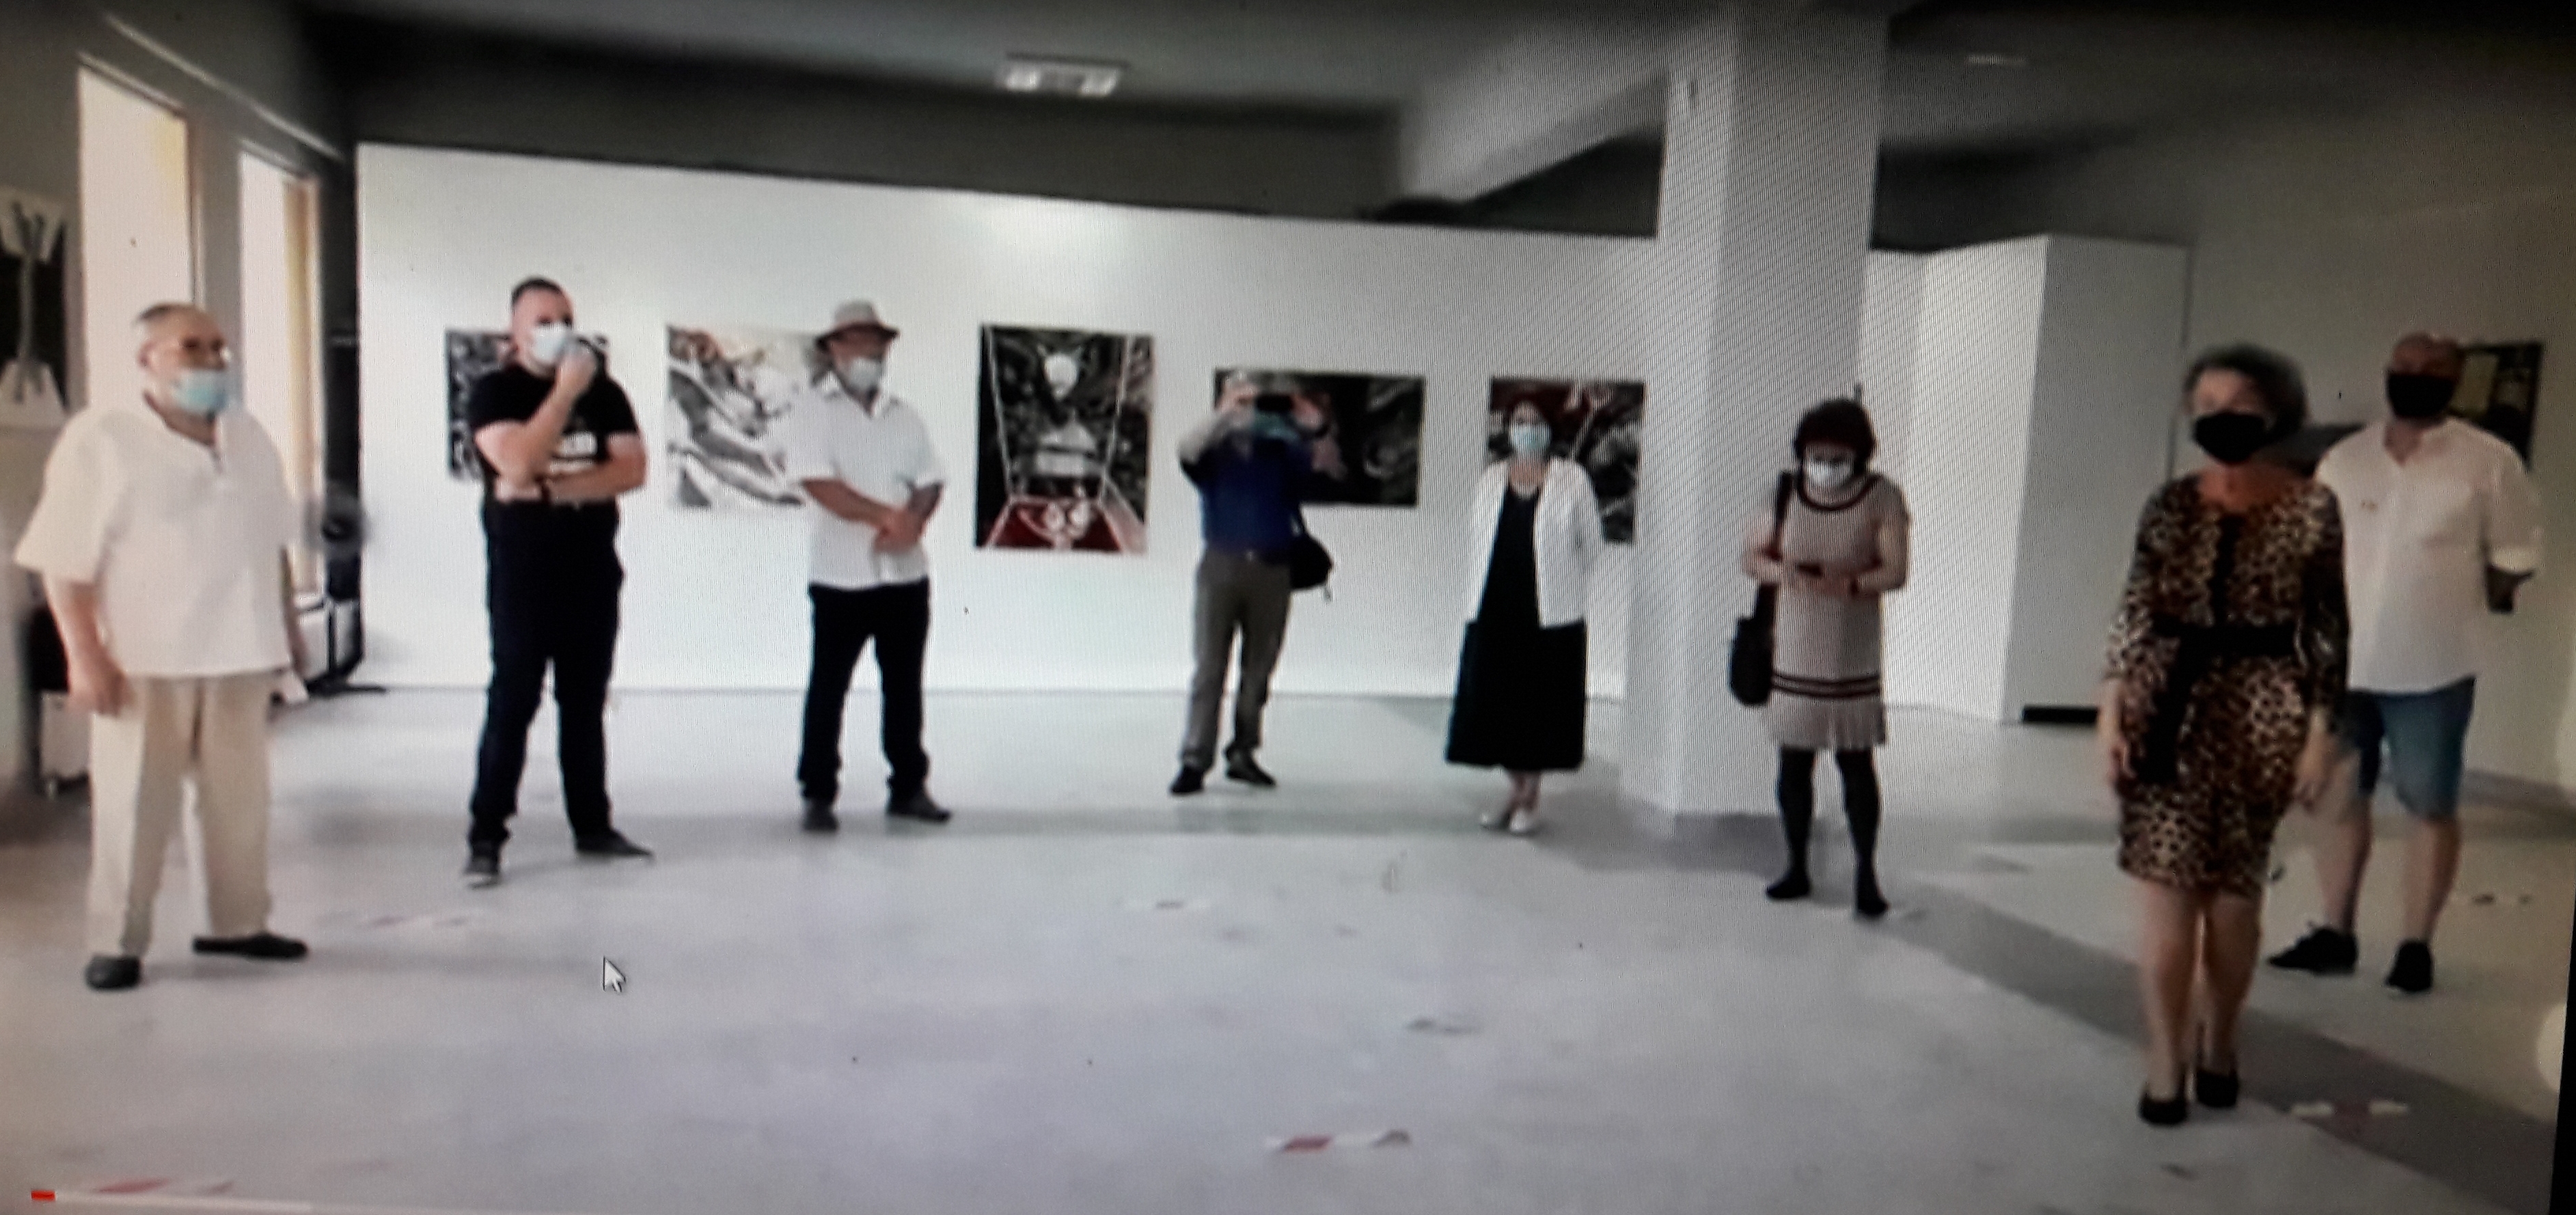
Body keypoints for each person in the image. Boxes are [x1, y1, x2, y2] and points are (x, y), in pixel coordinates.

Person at [15, 303, 310, 990]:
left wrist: (287, 629)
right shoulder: (104, 438)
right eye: (191, 347)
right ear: (146, 358)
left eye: (218, 347)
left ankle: (236, 922)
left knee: (239, 806)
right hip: (144, 657)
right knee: (133, 807)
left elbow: (271, 541)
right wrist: (84, 656)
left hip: (239, 650)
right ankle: (117, 940)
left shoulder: (247, 434)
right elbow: (63, 561)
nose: (211, 360)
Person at [2100, 345, 2346, 1126]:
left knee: (2233, 901)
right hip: (2164, 705)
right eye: (2205, 405)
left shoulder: (2311, 507)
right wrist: (2109, 708)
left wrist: (2318, 730)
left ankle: (2220, 1037)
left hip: (2261, 707)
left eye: (2237, 405)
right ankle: (2164, 1057)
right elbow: (2134, 606)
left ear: (2274, 413)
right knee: (2164, 896)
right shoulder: (2169, 504)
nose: (2219, 418)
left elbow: (2325, 627)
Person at [2270, 333, 2543, 994]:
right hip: (2341, 663)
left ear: (2454, 381)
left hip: (2432, 664)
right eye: (2403, 367)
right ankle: (2335, 931)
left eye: (2430, 369)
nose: (2414, 376)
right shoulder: (2346, 459)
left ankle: (2415, 945)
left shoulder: (2488, 462)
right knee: (2337, 799)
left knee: (2428, 803)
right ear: (2387, 372)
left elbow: (2514, 555)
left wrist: (2458, 596)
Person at [462, 277, 653, 887]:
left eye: (565, 318)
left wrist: (549, 492)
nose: (558, 330)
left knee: (584, 703)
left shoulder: (608, 394)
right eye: (543, 321)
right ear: (515, 332)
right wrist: (564, 393)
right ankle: (486, 836)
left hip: (591, 570)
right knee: (514, 701)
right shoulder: (495, 392)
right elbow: (516, 460)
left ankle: (592, 824)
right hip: (523, 574)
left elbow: (631, 469)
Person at [1740, 399, 1910, 919]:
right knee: (1794, 763)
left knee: (1855, 763)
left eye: (1837, 458)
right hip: (1793, 647)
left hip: (1849, 654)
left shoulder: (1882, 496)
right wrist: (1786, 574)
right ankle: (1796, 864)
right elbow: (1752, 555)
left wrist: (1850, 583)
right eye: (1816, 456)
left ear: (1859, 454)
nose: (1825, 467)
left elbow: (1896, 570)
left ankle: (1866, 871)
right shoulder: (1785, 491)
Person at [783, 301, 950, 832]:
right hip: (842, 576)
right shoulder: (813, 412)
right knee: (829, 687)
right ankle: (818, 791)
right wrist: (885, 517)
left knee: (904, 687)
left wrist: (914, 522)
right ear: (834, 349)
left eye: (875, 344)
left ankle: (909, 786)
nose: (868, 354)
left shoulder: (905, 416)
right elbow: (819, 482)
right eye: (856, 343)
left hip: (904, 574)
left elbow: (930, 480)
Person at [1168, 377, 1340, 795]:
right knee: (1209, 669)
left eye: (1254, 400)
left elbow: (1323, 464)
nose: (1250, 409)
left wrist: (1310, 419)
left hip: (1272, 568)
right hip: (1221, 565)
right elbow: (1186, 449)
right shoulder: (1212, 453)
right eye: (1241, 398)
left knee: (1258, 669)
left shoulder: (1280, 449)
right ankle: (1195, 759)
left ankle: (1243, 752)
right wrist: (1225, 414)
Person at [1445, 402, 1604, 834]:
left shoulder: (1572, 479)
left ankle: (1530, 796)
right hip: (1495, 606)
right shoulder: (1491, 478)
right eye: (1520, 422)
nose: (1527, 430)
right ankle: (1515, 789)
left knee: (1539, 705)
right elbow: (1476, 537)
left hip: (1549, 613)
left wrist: (1563, 577)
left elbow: (1592, 545)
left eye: (1536, 422)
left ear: (1549, 429)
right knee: (1494, 700)